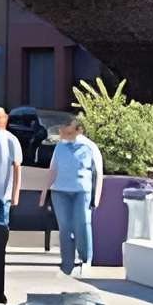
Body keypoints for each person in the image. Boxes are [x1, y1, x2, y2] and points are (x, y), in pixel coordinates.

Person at [48, 111, 101, 274]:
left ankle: (85, 258)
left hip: (81, 191)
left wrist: (96, 197)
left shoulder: (90, 146)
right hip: (59, 191)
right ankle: (67, 261)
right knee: (65, 227)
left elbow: (98, 173)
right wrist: (45, 193)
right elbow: (52, 169)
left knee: (83, 223)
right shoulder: (60, 146)